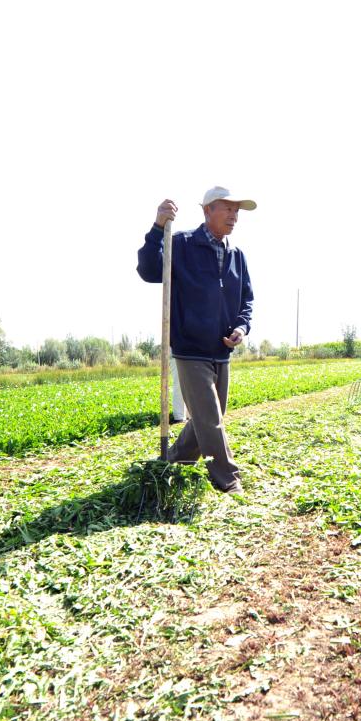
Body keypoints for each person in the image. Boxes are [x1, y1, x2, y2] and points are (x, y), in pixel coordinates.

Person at [137, 186, 255, 493]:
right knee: (210, 420)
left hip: (222, 351)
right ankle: (227, 479)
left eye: (236, 210)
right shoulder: (182, 244)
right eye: (227, 208)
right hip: (190, 349)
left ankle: (173, 461)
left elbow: (247, 301)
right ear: (207, 211)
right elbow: (149, 270)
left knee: (208, 417)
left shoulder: (237, 256)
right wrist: (157, 227)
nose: (233, 215)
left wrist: (241, 328)